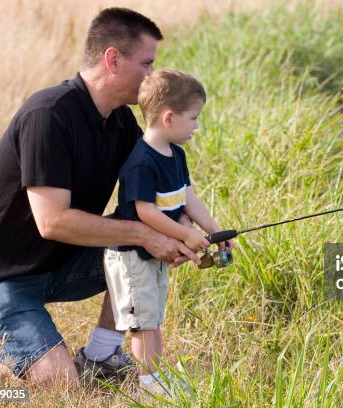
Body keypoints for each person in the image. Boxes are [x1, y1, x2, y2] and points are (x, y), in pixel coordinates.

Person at [0, 8, 200, 386]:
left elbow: (156, 188)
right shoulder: (48, 114)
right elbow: (52, 220)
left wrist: (184, 231)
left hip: (59, 264)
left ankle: (102, 353)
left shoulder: (121, 121)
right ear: (113, 59)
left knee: (143, 241)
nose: (153, 75)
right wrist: (146, 236)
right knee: (62, 385)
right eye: (147, 63)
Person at [101, 69, 233, 394]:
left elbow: (186, 196)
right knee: (143, 323)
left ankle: (153, 376)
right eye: (194, 119)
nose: (197, 127)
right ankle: (148, 384)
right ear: (169, 118)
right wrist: (185, 235)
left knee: (153, 319)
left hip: (153, 256)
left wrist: (214, 230)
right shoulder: (141, 162)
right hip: (132, 256)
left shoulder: (176, 154)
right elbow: (145, 211)